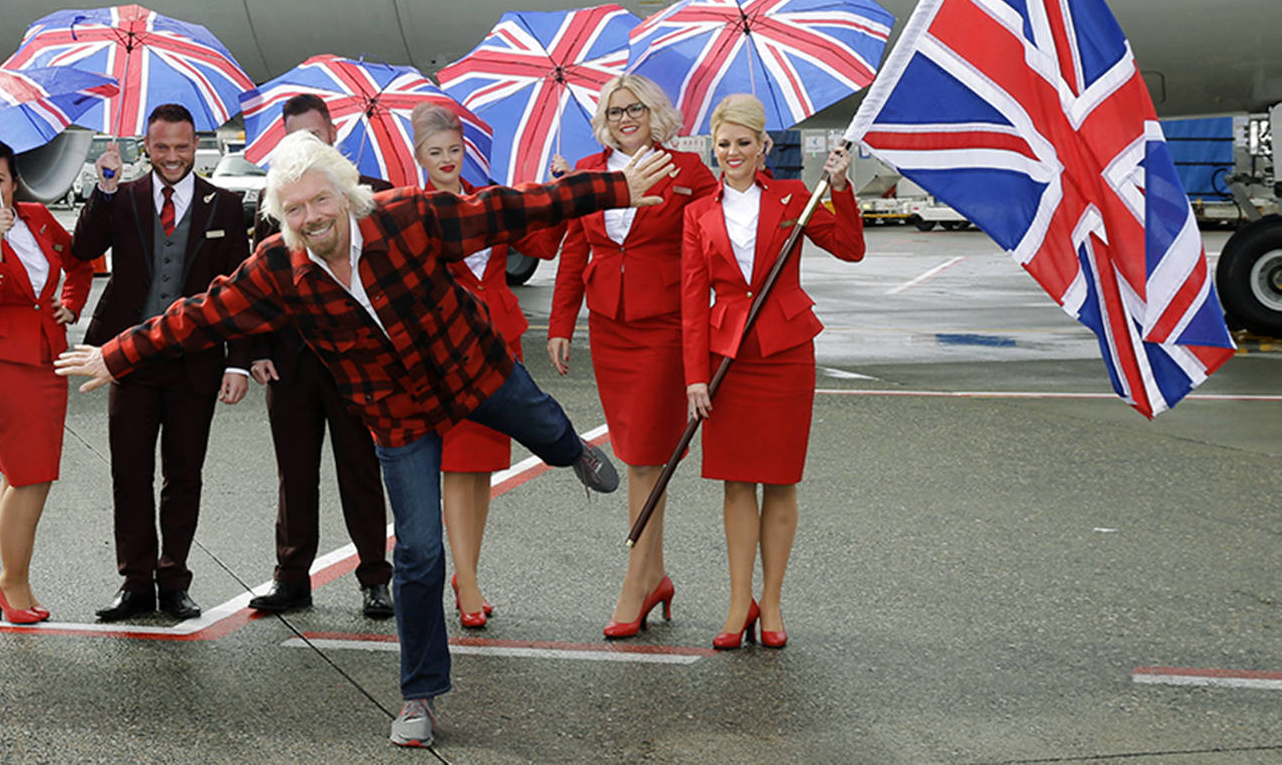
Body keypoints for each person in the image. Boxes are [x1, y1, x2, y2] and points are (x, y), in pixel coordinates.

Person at [59, 130, 673, 749]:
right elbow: (204, 311)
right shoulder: (280, 266)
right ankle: (420, 694)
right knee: (419, 555)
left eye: (319, 201)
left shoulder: (408, 216)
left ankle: (574, 451)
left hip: (471, 367)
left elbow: (509, 207)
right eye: (293, 209)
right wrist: (117, 354)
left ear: (346, 197)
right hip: (397, 412)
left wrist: (616, 187)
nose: (310, 218)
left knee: (544, 426)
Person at [681, 94, 863, 651]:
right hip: (725, 356)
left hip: (784, 352)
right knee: (737, 483)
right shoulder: (697, 213)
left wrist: (838, 187)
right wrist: (693, 377)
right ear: (713, 148)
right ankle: (740, 602)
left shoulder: (793, 197)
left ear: (764, 146)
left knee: (780, 482)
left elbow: (850, 248)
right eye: (723, 144)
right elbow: (692, 301)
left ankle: (774, 602)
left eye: (743, 142)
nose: (732, 152)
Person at [545, 75, 719, 640]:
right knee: (640, 454)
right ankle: (657, 575)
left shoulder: (686, 173)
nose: (625, 118)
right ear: (604, 119)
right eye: (615, 110)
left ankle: (635, 582)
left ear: (655, 113)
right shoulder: (590, 175)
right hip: (610, 328)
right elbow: (576, 248)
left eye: (635, 108)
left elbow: (711, 246)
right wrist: (561, 323)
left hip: (665, 328)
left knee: (646, 457)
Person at [70, 103, 252, 623]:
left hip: (196, 361)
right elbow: (83, 248)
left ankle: (174, 579)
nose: (172, 157)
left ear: (197, 146)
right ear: (145, 148)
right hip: (128, 357)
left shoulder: (225, 205)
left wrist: (238, 362)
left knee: (183, 474)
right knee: (129, 474)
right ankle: (135, 581)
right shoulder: (122, 198)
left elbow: (240, 292)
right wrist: (103, 190)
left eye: (182, 147)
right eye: (162, 147)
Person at [409, 101, 563, 631]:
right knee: (457, 463)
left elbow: (540, 242)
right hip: (447, 349)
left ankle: (467, 571)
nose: (447, 159)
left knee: (483, 469)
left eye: (454, 150)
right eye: (436, 152)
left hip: (500, 344)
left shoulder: (485, 204)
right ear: (419, 156)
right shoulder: (413, 212)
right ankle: (468, 581)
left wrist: (556, 190)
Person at [246, 94, 394, 621]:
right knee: (295, 473)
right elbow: (249, 288)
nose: (304, 145)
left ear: (332, 134)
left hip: (352, 362)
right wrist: (254, 351)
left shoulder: (361, 196)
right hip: (289, 363)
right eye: (295, 138)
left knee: (360, 470)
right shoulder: (278, 200)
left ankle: (376, 577)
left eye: (314, 135)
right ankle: (291, 578)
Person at [0, 134, 93, 625]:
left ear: (14, 180)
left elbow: (81, 263)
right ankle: (11, 584)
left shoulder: (38, 217)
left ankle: (14, 580)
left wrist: (70, 304)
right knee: (30, 473)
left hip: (47, 357)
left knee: (28, 473)